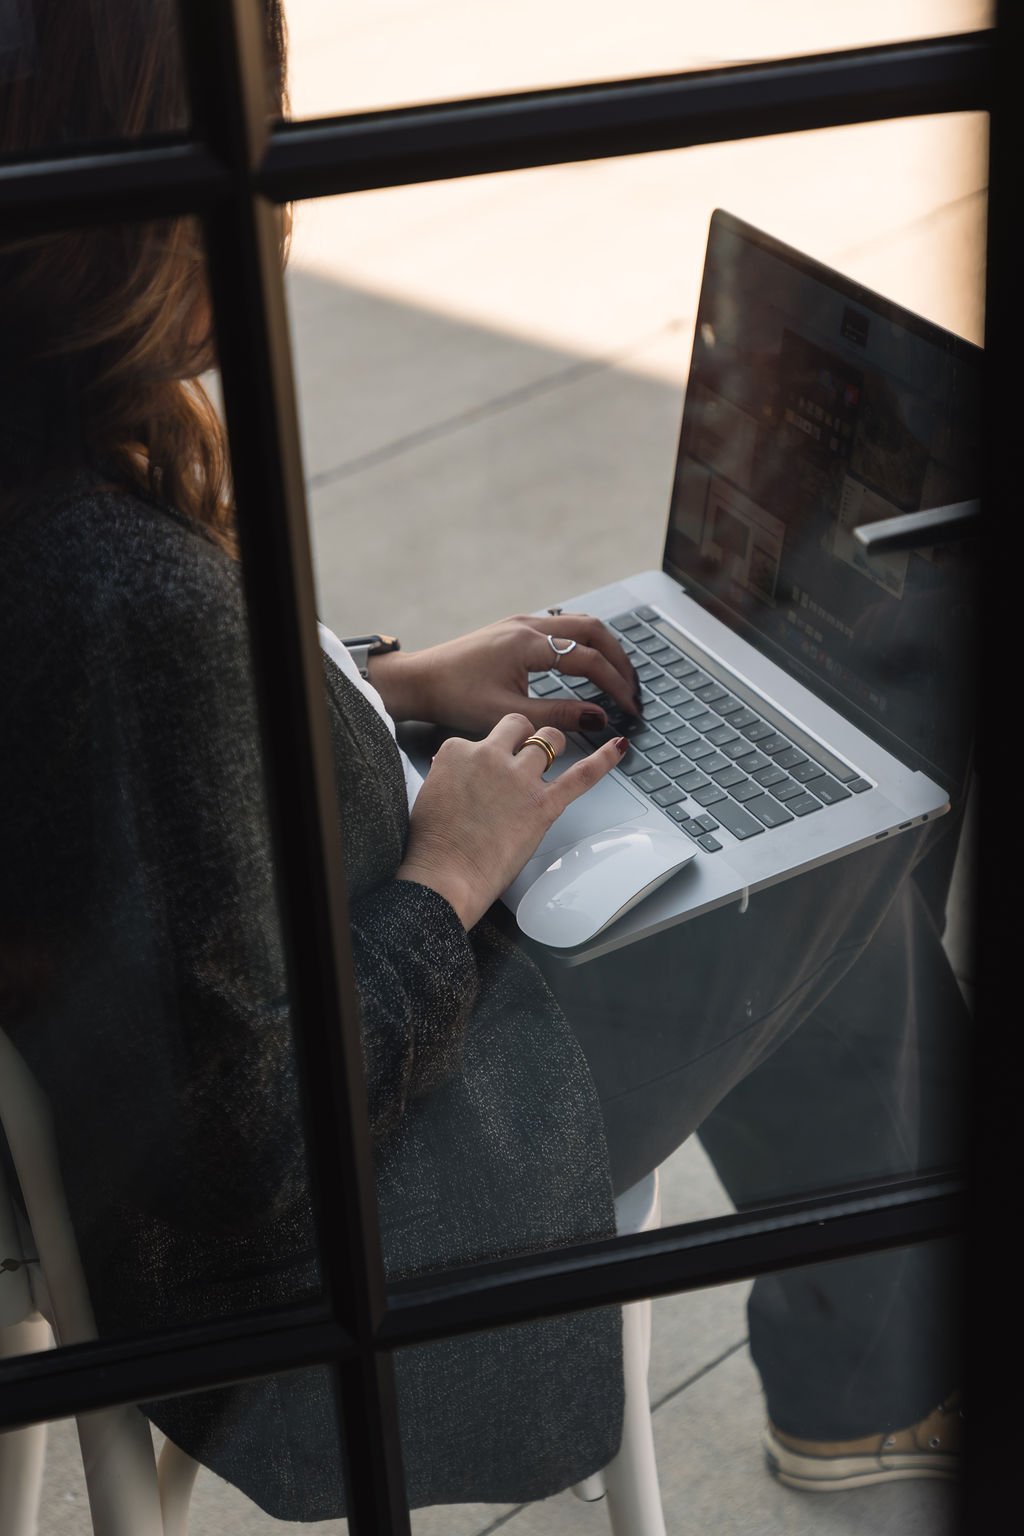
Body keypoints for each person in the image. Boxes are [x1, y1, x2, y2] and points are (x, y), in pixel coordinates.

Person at [0, 1, 969, 1520]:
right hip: (381, 1202)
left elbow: (138, 787)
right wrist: (453, 869)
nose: (284, 186)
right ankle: (877, 1393)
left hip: (203, 1053)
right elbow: (252, 1146)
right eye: (255, 135)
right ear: (137, 194)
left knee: (778, 818)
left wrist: (386, 684)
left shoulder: (35, 468)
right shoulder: (126, 591)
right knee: (857, 855)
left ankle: (877, 1376)